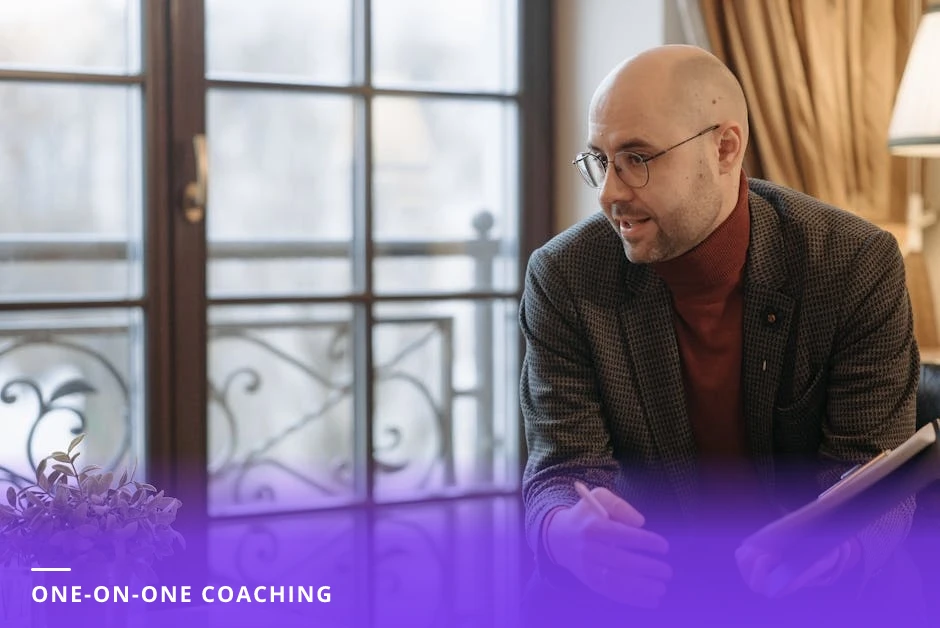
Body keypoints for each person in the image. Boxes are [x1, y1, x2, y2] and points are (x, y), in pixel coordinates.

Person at [519, 44, 919, 620]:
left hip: (815, 591)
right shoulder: (565, 275)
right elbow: (560, 472)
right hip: (644, 584)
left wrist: (836, 550)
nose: (609, 192)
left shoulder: (852, 262)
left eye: (636, 157)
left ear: (725, 147)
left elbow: (870, 472)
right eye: (599, 161)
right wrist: (564, 533)